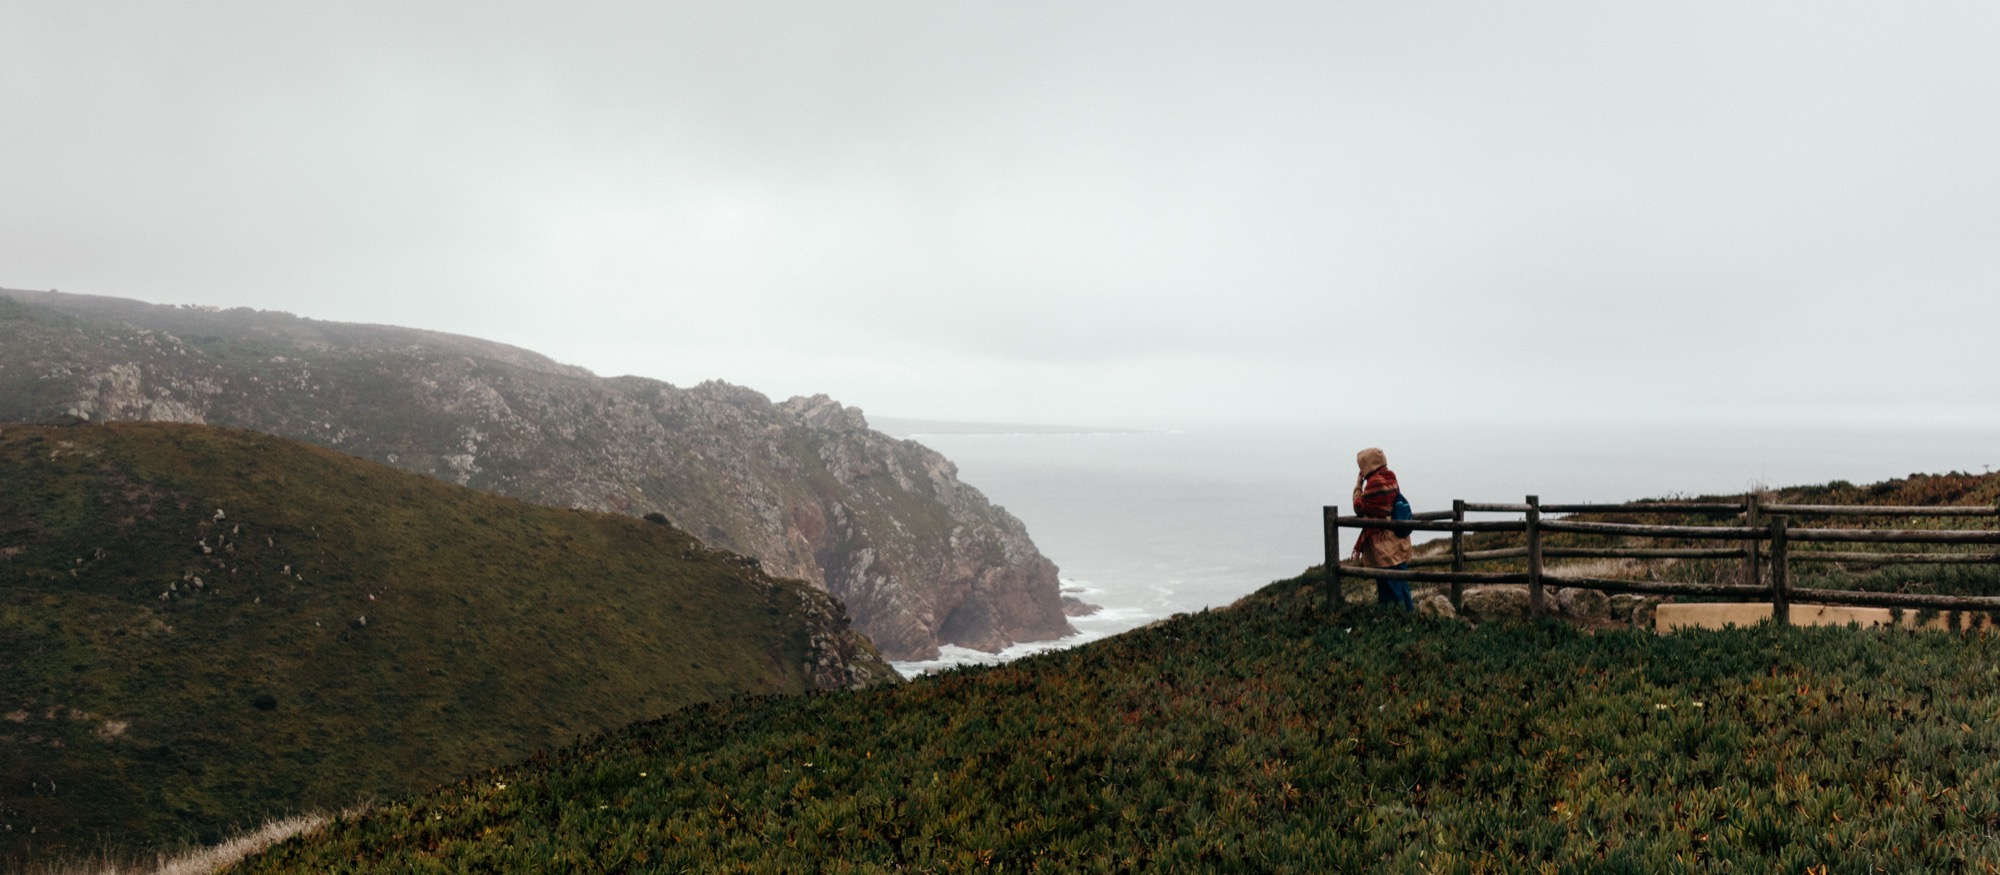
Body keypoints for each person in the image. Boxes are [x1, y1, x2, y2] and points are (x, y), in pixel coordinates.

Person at [1351, 447, 1414, 611]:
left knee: (1389, 587)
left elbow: (1359, 506)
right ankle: (1409, 619)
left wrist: (1358, 486)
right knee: (1401, 584)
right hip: (1398, 541)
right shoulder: (1391, 477)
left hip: (1385, 545)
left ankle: (1397, 623)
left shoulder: (1375, 483)